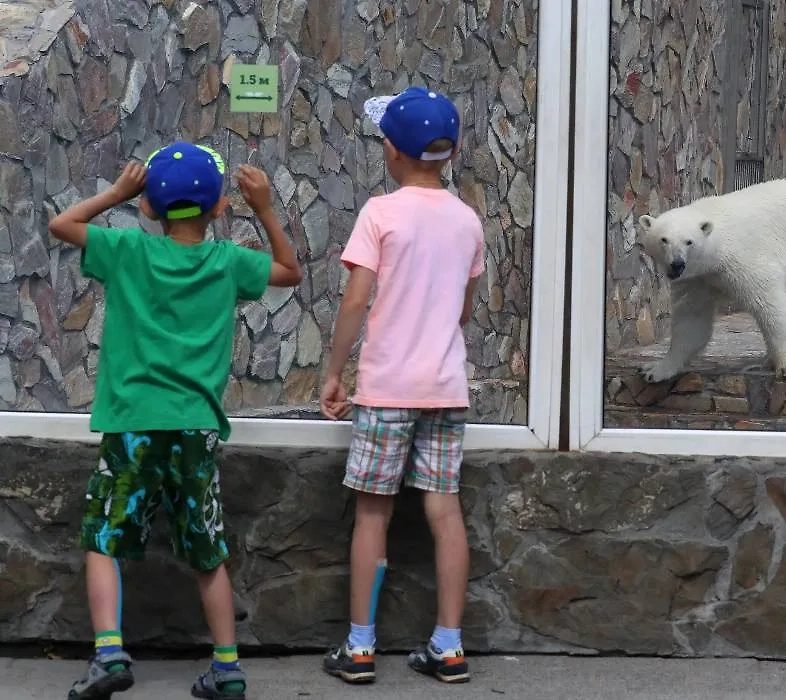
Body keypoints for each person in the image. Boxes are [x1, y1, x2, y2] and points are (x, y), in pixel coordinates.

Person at [49, 142, 303, 700]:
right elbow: (290, 271)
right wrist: (262, 208)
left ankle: (110, 652)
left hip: (134, 422)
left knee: (104, 538)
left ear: (149, 209)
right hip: (195, 426)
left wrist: (117, 194)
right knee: (206, 549)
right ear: (217, 209)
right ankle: (229, 667)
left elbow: (61, 224)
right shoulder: (228, 262)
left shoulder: (126, 252)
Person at [319, 86, 484, 685]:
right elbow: (463, 310)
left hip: (387, 389)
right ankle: (449, 644)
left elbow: (358, 298)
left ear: (391, 150)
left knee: (372, 517)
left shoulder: (380, 214)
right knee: (445, 513)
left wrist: (335, 372)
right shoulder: (468, 221)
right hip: (444, 388)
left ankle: (361, 647)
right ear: (449, 151)